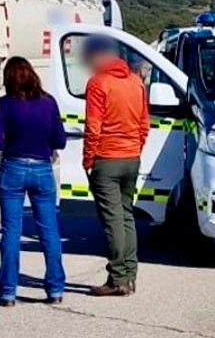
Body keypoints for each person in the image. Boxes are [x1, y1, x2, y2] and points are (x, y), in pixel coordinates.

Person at [0, 56, 67, 306]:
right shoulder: (48, 102)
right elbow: (60, 141)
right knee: (49, 231)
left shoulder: (5, 105)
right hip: (42, 169)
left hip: (13, 168)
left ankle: (8, 291)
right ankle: (55, 289)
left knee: (11, 231)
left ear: (8, 79)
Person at [82, 36, 149, 297]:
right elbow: (144, 125)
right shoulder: (136, 82)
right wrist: (135, 147)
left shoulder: (98, 83)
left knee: (112, 220)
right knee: (127, 215)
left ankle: (117, 278)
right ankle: (130, 275)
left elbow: (93, 126)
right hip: (131, 157)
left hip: (106, 158)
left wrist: (88, 159)